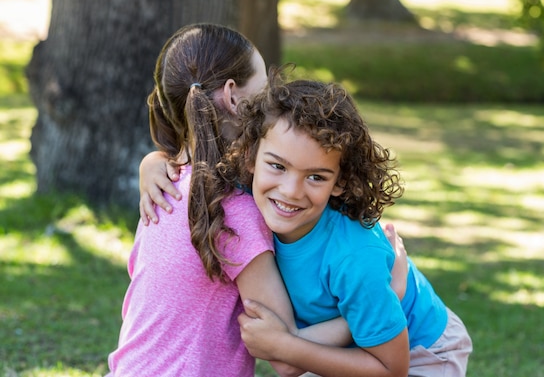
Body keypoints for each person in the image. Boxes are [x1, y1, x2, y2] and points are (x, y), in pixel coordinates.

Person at [109, 23, 406, 377]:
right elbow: (284, 354)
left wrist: (152, 161)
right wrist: (389, 294)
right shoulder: (234, 213)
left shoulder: (166, 185)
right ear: (234, 96)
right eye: (265, 88)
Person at [217, 72, 473, 377]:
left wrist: (285, 347)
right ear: (251, 159)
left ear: (340, 182)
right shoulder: (248, 194)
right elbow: (188, 167)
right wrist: (153, 164)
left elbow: (392, 369)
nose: (290, 191)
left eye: (316, 177)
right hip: (350, 343)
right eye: (277, 166)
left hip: (421, 351)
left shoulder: (353, 256)